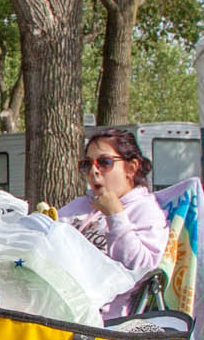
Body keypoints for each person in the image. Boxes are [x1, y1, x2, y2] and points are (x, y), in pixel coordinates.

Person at [60, 125, 169, 322]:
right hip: (57, 307)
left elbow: (141, 267)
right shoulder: (81, 206)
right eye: (87, 164)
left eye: (105, 162)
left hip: (103, 321)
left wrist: (115, 215)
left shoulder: (145, 210)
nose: (94, 171)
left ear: (131, 168)